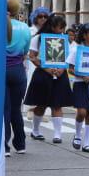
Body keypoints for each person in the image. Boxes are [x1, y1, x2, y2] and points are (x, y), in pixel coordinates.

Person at [25, 14, 72, 143]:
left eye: (63, 28)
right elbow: (32, 56)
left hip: (60, 74)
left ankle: (57, 134)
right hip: (43, 74)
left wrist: (62, 69)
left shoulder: (64, 39)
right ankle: (35, 130)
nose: (62, 31)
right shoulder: (38, 38)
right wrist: (46, 68)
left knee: (57, 105)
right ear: (52, 26)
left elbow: (68, 57)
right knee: (41, 104)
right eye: (60, 27)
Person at [4, 0, 32, 156]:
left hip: (1, 69)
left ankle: (5, 146)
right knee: (16, 108)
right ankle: (20, 144)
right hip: (18, 70)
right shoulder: (24, 27)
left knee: (4, 109)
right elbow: (25, 51)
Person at [68, 23, 89, 152]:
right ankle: (77, 134)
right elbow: (70, 68)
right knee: (81, 111)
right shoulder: (76, 49)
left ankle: (86, 142)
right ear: (84, 35)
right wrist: (82, 76)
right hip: (80, 84)